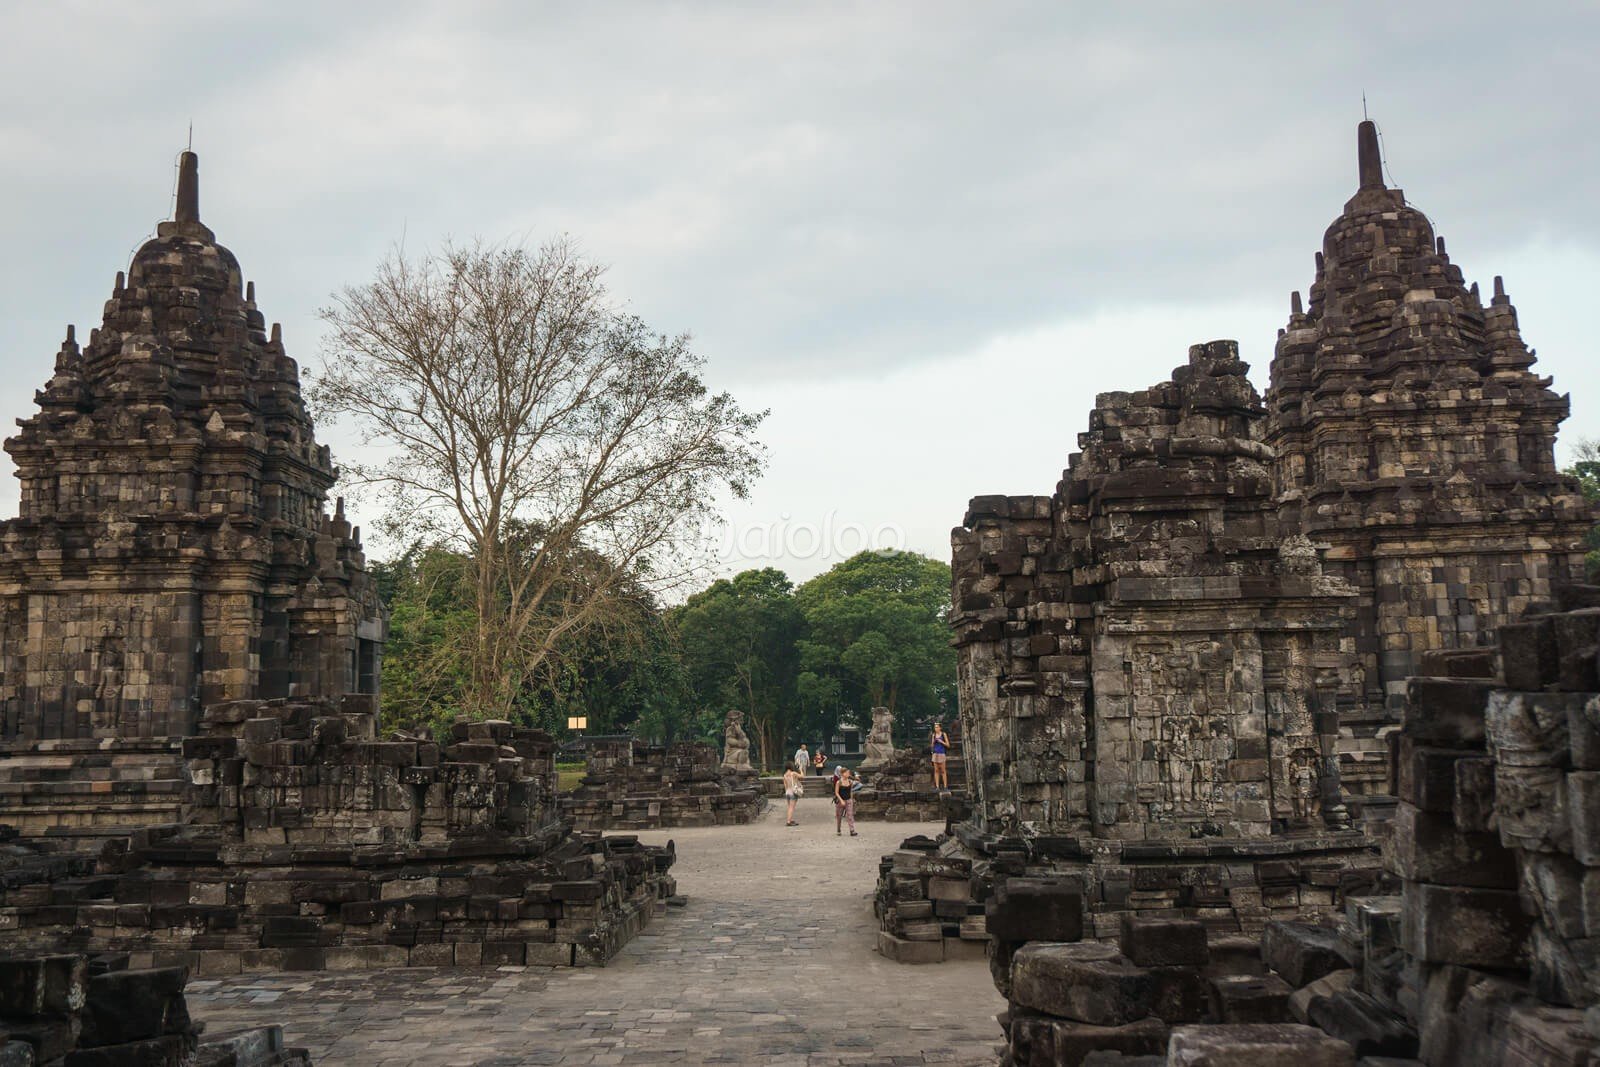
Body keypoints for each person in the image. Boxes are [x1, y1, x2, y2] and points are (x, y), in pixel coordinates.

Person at [834, 767, 858, 836]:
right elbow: (836, 792)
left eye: (848, 772)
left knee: (850, 815)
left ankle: (852, 830)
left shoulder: (850, 781)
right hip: (840, 801)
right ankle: (838, 829)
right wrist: (841, 800)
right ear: (842, 774)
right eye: (846, 772)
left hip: (848, 800)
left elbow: (851, 791)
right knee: (839, 816)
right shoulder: (839, 782)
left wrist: (852, 799)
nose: (848, 774)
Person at [930, 722, 950, 790]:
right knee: (936, 770)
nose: (936, 728)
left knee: (943, 770)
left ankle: (945, 786)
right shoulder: (933, 735)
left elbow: (948, 745)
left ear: (940, 728)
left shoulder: (943, 734)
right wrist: (934, 742)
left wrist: (941, 742)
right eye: (935, 727)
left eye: (937, 727)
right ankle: (937, 786)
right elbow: (932, 746)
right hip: (935, 753)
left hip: (941, 753)